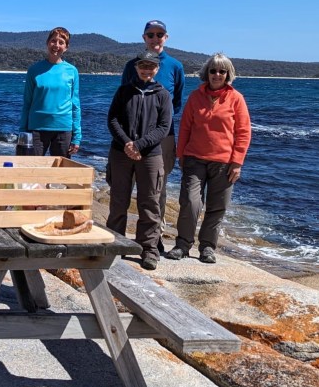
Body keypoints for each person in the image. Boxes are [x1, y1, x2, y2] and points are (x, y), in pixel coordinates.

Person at [165, 53, 251, 264]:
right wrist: (181, 154)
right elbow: (185, 127)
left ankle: (207, 247)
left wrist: (237, 162)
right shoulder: (196, 97)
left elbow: (243, 132)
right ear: (207, 73)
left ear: (228, 74)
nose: (217, 74)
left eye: (222, 71)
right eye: (213, 70)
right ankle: (183, 245)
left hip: (224, 163)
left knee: (217, 207)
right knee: (190, 202)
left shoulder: (236, 98)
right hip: (194, 159)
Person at [121, 20, 185, 249]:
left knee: (158, 187)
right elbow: (124, 99)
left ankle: (153, 238)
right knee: (125, 186)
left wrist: (157, 124)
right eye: (151, 34)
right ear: (144, 38)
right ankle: (119, 238)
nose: (155, 38)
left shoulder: (175, 66)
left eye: (160, 34)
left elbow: (176, 102)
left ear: (166, 37)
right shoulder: (131, 65)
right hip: (132, 137)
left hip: (163, 137)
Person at [106, 50, 172, 271]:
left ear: (157, 69)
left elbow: (164, 127)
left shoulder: (163, 95)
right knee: (118, 201)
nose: (146, 70)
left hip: (150, 155)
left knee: (150, 203)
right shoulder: (124, 91)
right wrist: (127, 143)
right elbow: (112, 119)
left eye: (150, 66)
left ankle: (149, 249)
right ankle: (115, 245)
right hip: (120, 153)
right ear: (136, 67)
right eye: (142, 65)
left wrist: (139, 145)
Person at [19, 26, 81, 157]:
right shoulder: (34, 70)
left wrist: (77, 136)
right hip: (37, 129)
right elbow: (27, 103)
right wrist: (22, 131)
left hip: (63, 129)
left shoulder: (72, 71)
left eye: (61, 42)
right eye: (53, 41)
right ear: (47, 43)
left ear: (66, 47)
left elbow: (75, 105)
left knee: (60, 169)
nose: (56, 45)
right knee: (32, 167)